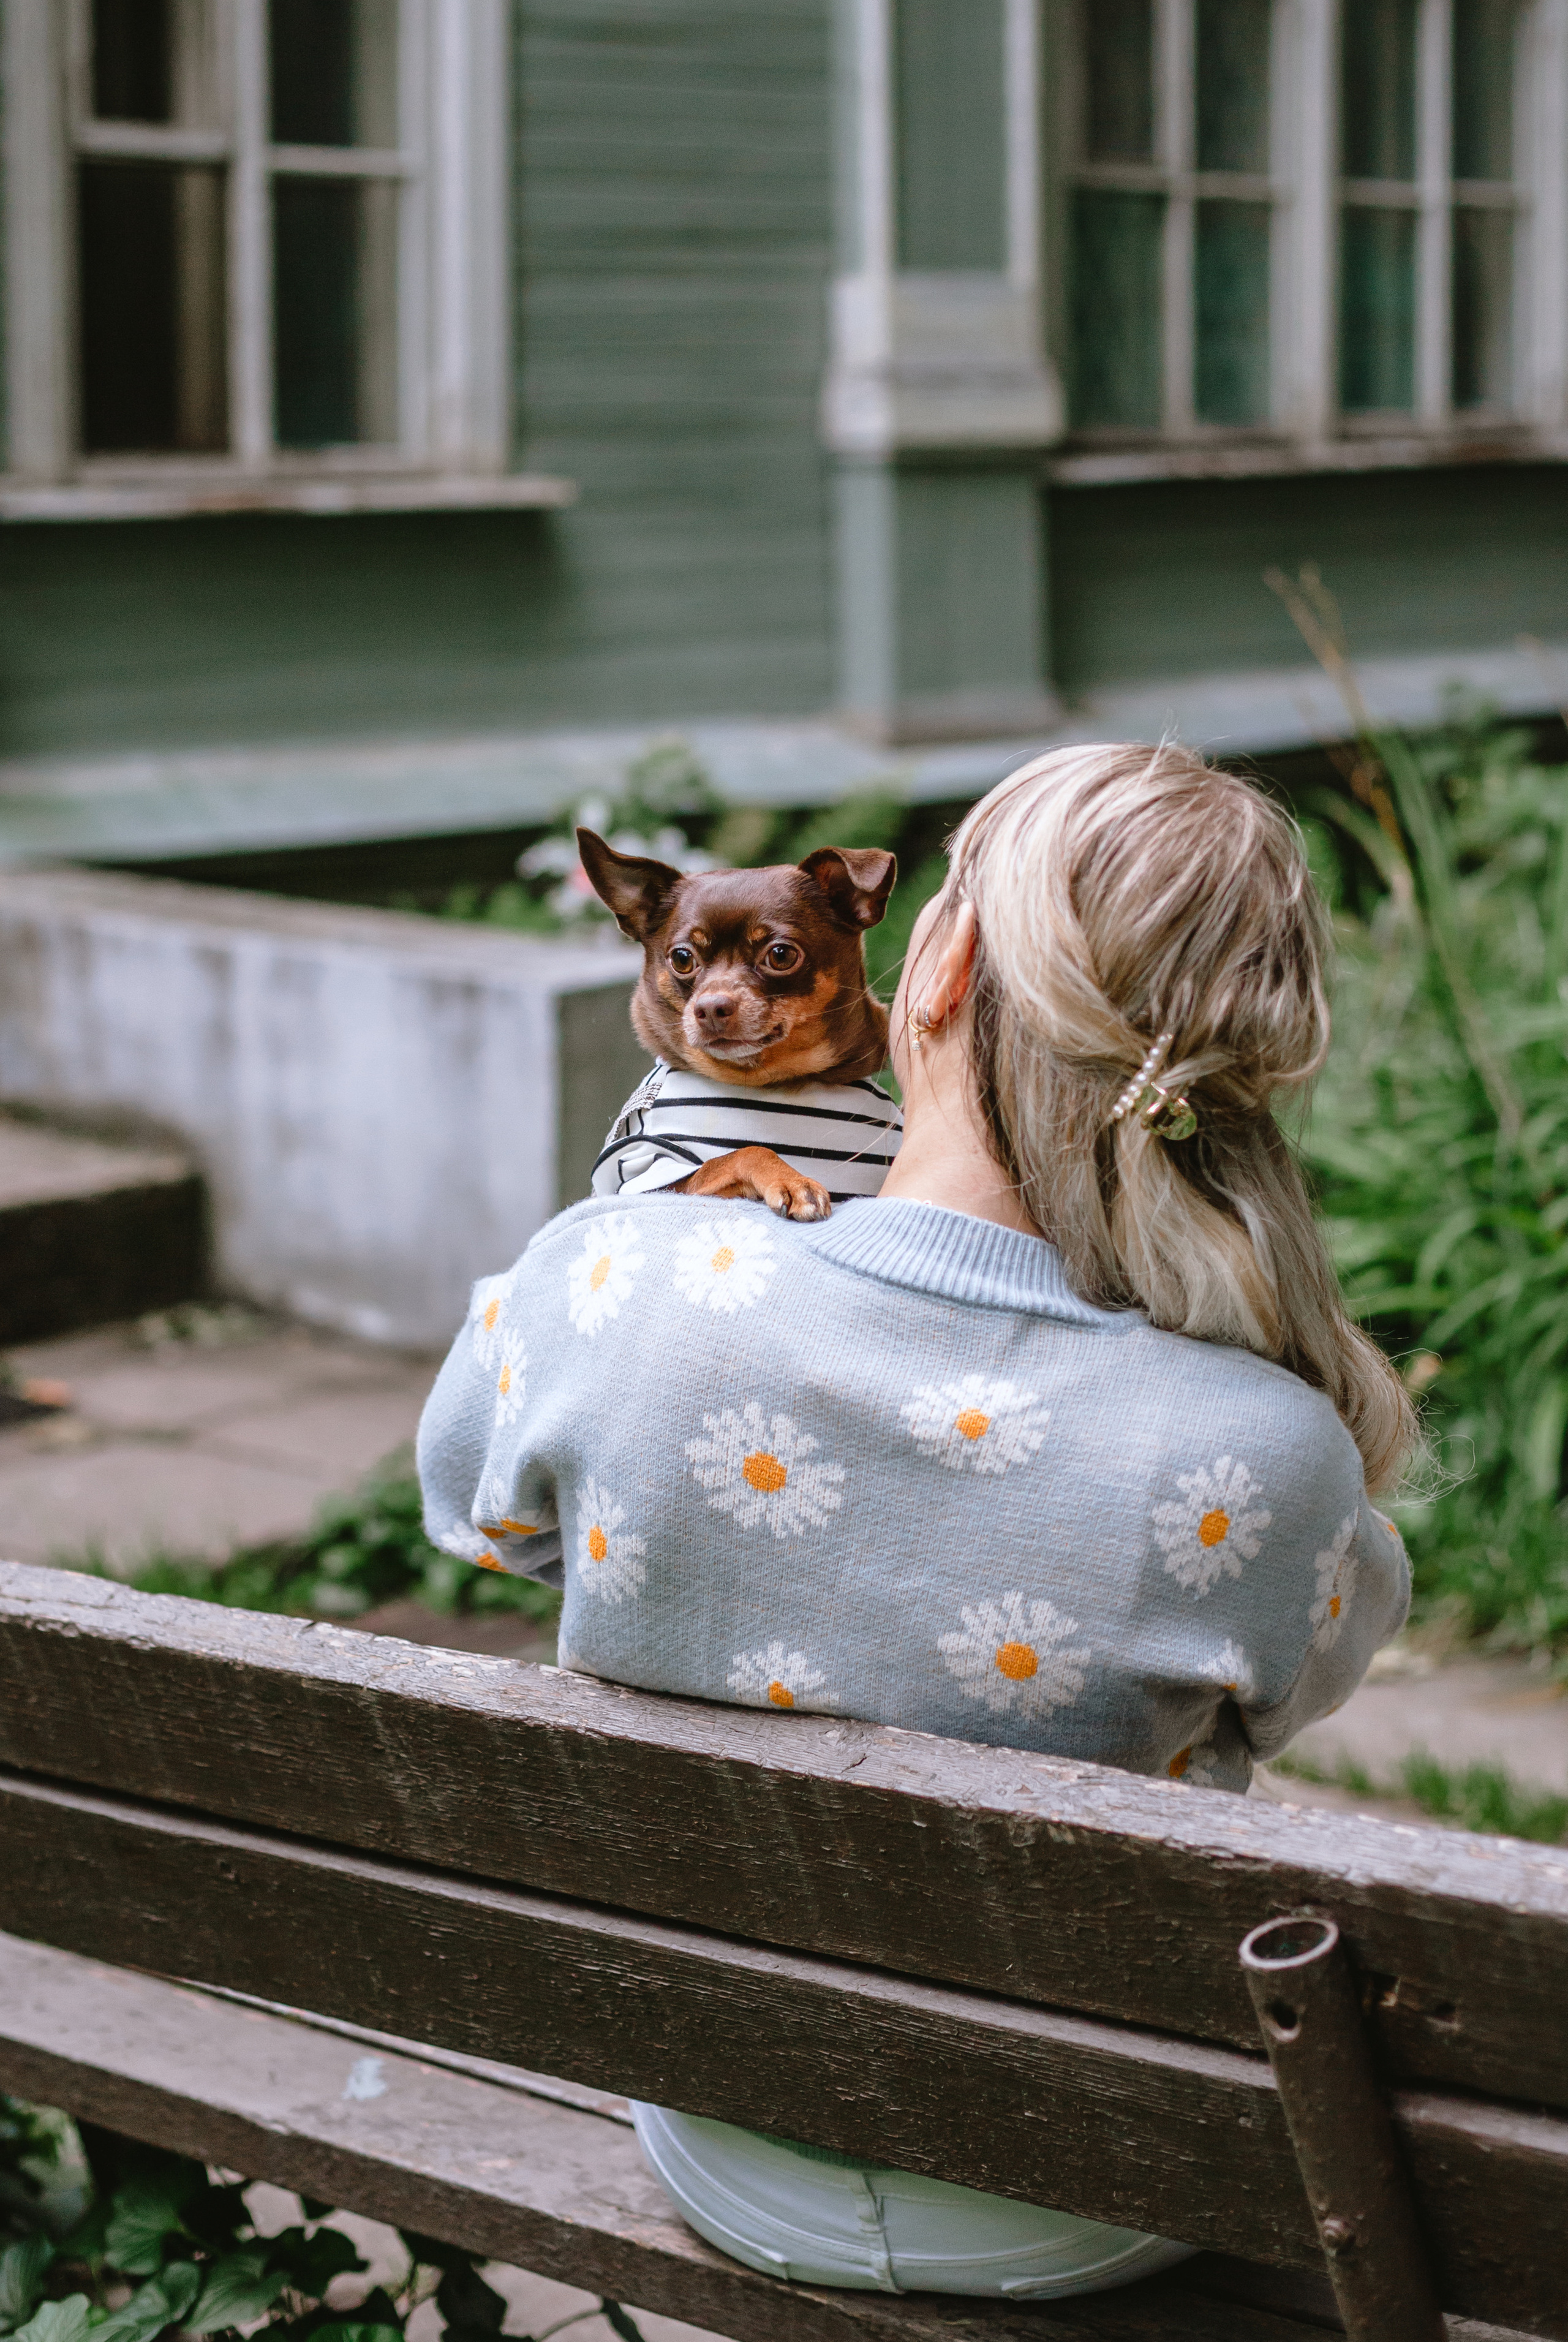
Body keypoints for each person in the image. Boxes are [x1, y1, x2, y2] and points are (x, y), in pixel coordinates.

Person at [417, 741, 1416, 2301]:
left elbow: (483, 1517)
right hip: (1094, 2191)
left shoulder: (603, 1288)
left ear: (930, 964)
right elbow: (1303, 1678)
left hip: (726, 2135)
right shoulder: (1271, 1452)